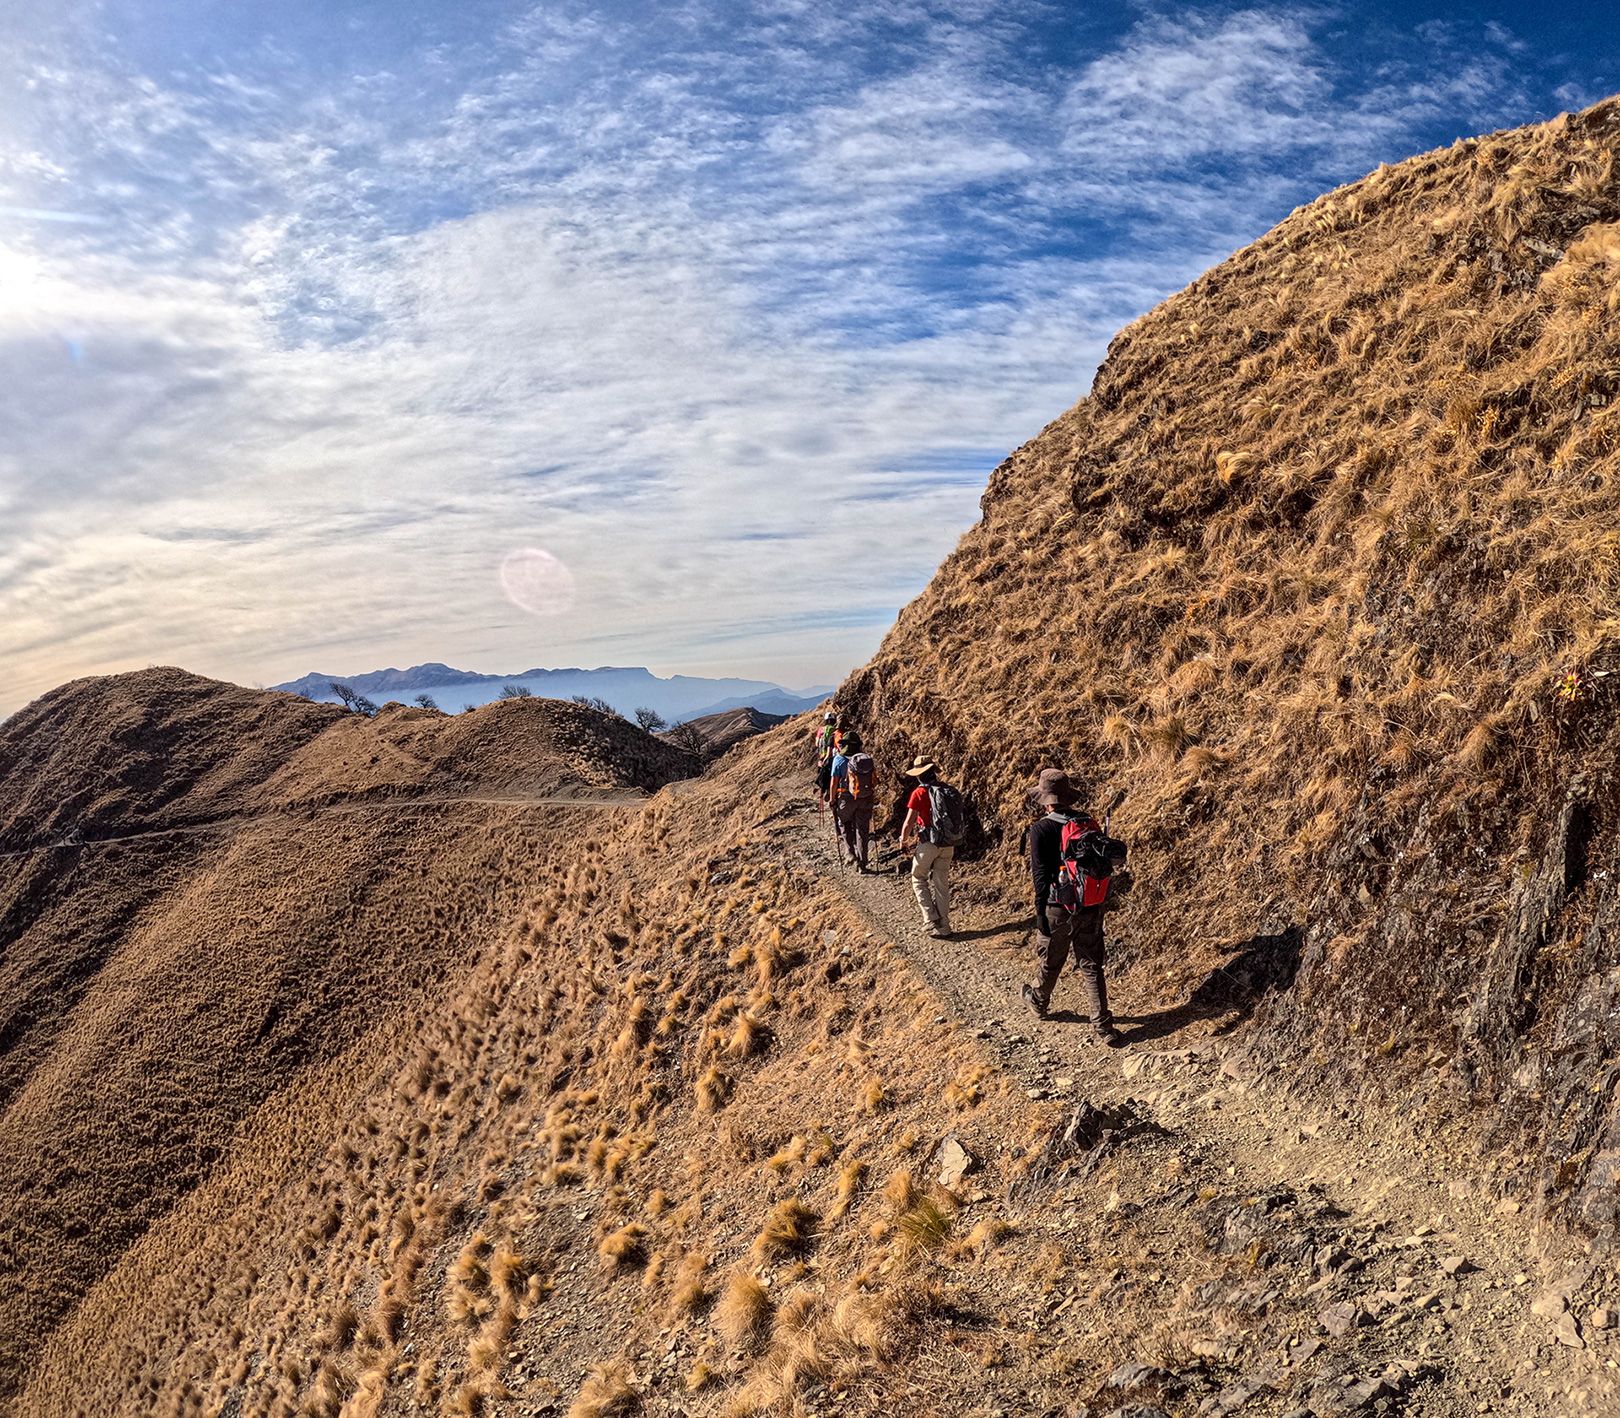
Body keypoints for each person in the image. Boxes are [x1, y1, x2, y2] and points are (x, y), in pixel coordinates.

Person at [1021, 769, 1127, 1047]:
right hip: (1090, 902)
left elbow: (1039, 875)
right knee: (1091, 964)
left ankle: (1039, 1002)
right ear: (1067, 797)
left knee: (1051, 959)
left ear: (1045, 799)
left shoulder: (1041, 828)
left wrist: (1040, 910)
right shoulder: (1087, 822)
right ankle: (1104, 1027)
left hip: (1057, 904)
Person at [897, 755, 964, 939]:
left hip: (928, 843)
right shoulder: (947, 790)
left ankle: (930, 919)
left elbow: (909, 821)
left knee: (918, 877)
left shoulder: (919, 793)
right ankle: (945, 926)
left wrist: (903, 839)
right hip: (948, 843)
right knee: (941, 883)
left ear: (919, 775)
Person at [828, 731, 877, 870]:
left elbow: (833, 783)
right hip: (865, 797)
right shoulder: (865, 759)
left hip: (845, 798)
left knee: (843, 823)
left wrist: (832, 800)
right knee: (862, 830)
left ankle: (850, 853)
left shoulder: (839, 759)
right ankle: (863, 863)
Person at [812, 710, 837, 804]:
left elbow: (817, 743)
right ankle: (830, 792)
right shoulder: (834, 730)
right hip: (832, 756)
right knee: (832, 775)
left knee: (821, 773)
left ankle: (821, 789)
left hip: (822, 756)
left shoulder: (821, 730)